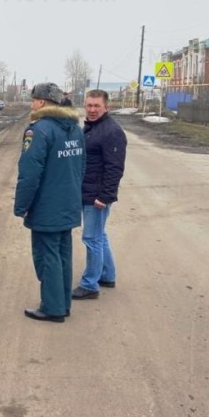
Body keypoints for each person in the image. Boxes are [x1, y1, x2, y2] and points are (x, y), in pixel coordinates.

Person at [14, 82, 85, 322]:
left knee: (47, 256)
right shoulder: (74, 129)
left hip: (47, 206)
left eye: (34, 100)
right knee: (63, 254)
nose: (31, 103)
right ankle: (62, 303)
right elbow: (80, 167)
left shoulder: (39, 130)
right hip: (68, 203)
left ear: (42, 102)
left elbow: (30, 172)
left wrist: (22, 206)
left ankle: (52, 308)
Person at [72, 89, 127, 300]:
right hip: (89, 191)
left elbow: (115, 168)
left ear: (106, 107)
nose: (92, 110)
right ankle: (107, 274)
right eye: (89, 105)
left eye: (97, 106)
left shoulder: (111, 131)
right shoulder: (93, 127)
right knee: (99, 235)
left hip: (97, 196)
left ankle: (90, 285)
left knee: (91, 238)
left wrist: (105, 196)